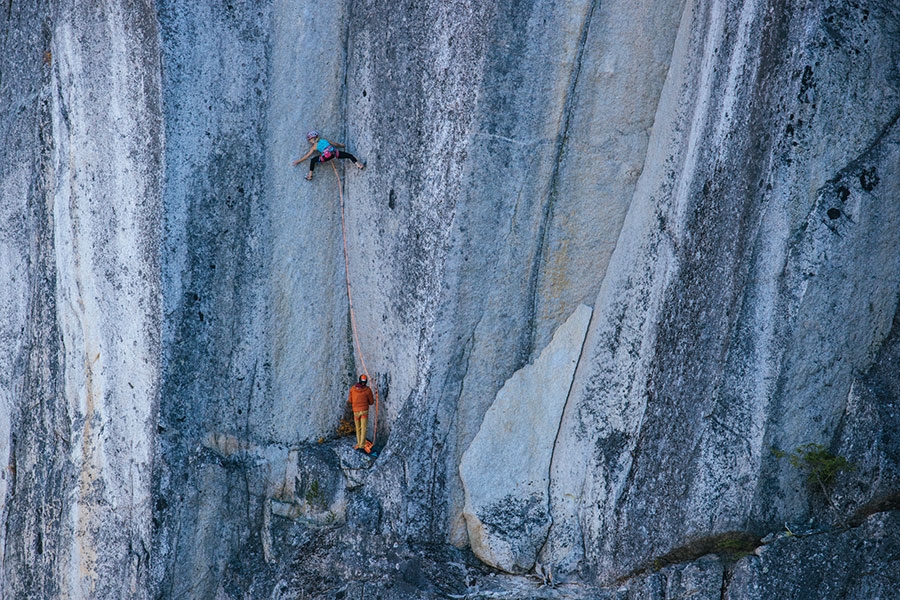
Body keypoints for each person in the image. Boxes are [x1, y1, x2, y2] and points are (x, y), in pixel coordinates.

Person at [292, 130, 365, 180]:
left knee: (313, 160)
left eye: (310, 140)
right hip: (334, 153)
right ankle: (359, 165)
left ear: (312, 138)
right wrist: (342, 145)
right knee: (349, 156)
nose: (310, 141)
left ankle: (310, 176)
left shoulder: (314, 146)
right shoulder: (324, 140)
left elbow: (307, 156)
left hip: (325, 157)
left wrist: (298, 161)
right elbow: (335, 144)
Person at [347, 374, 374, 451]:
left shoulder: (352, 389)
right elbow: (371, 402)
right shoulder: (368, 390)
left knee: (358, 428)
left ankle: (359, 443)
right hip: (364, 411)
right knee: (363, 428)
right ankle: (361, 445)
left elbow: (350, 400)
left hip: (356, 411)